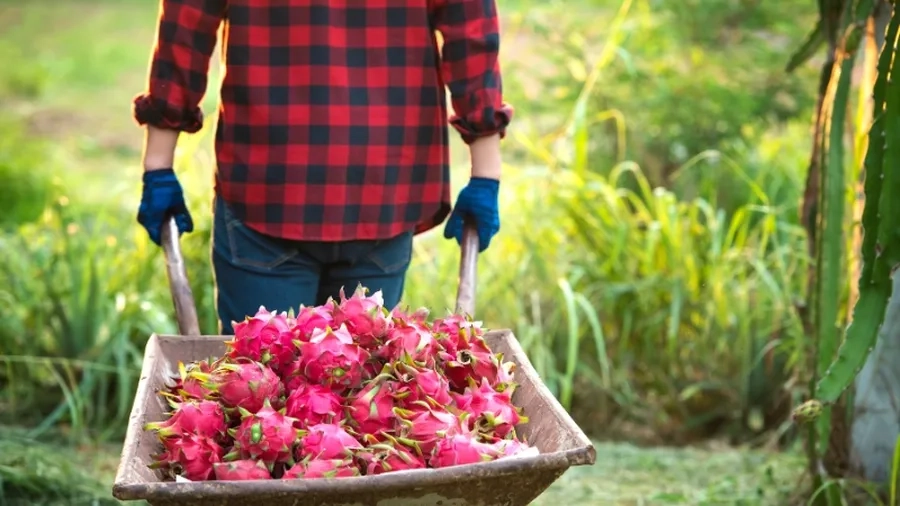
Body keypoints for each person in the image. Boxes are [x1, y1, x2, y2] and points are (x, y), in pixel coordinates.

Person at [133, 0, 513, 334]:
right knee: (365, 400)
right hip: (384, 189)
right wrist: (485, 173)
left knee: (258, 397)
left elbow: (184, 32)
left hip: (269, 186)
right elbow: (471, 35)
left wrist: (158, 166)